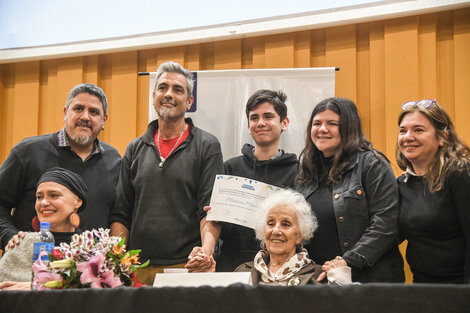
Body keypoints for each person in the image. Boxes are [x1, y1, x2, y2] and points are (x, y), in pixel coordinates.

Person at [109, 61, 224, 285]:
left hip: (186, 267)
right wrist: (116, 257)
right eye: (163, 88)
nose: (169, 94)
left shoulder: (207, 145)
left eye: (178, 90)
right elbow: (121, 213)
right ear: (153, 97)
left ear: (189, 101)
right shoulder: (135, 148)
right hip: (136, 267)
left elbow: (210, 210)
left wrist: (205, 253)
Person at [0, 83, 121, 251]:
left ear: (104, 120)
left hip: (89, 270)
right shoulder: (27, 152)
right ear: (65, 113)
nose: (85, 117)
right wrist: (9, 236)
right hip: (31, 265)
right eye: (78, 109)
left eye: (94, 112)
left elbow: (118, 215)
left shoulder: (114, 160)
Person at [296, 97, 404, 283]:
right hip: (320, 280)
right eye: (317, 123)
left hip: (369, 280)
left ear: (349, 127)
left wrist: (346, 262)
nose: (322, 129)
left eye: (332, 123)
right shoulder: (306, 170)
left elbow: (386, 224)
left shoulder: (372, 164)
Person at [218, 89, 298, 271]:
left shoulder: (299, 172)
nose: (260, 123)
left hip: (280, 270)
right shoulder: (229, 169)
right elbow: (219, 226)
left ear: (284, 123)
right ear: (248, 126)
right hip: (231, 267)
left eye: (268, 116)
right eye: (254, 118)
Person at [397, 99, 470, 283]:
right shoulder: (402, 183)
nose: (407, 137)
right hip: (423, 288)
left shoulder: (460, 174)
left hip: (459, 290)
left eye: (418, 130)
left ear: (442, 138)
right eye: (402, 130)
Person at [235, 189, 351, 285]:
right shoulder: (242, 272)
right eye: (271, 223)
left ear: (300, 235)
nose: (276, 230)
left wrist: (341, 278)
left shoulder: (318, 275)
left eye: (286, 224)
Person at [0, 167, 87, 290]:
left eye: (54, 195)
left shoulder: (90, 249)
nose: (44, 202)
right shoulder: (20, 244)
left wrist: (38, 286)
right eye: (39, 197)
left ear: (77, 201)